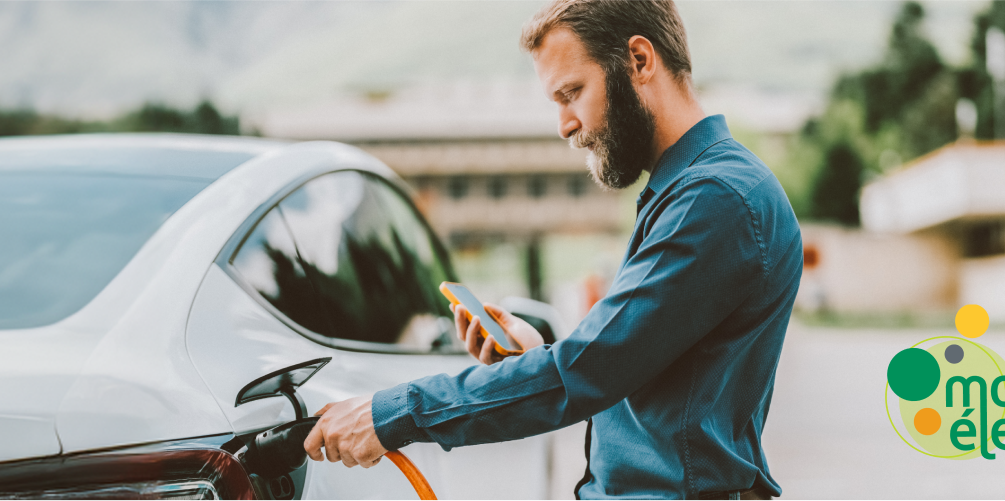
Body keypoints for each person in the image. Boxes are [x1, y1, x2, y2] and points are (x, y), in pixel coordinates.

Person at [302, 0, 802, 499]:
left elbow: (590, 371)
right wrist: (537, 356)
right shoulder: (696, 191)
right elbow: (632, 368)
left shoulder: (716, 199)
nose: (565, 125)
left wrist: (391, 414)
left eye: (572, 93)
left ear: (640, 61)